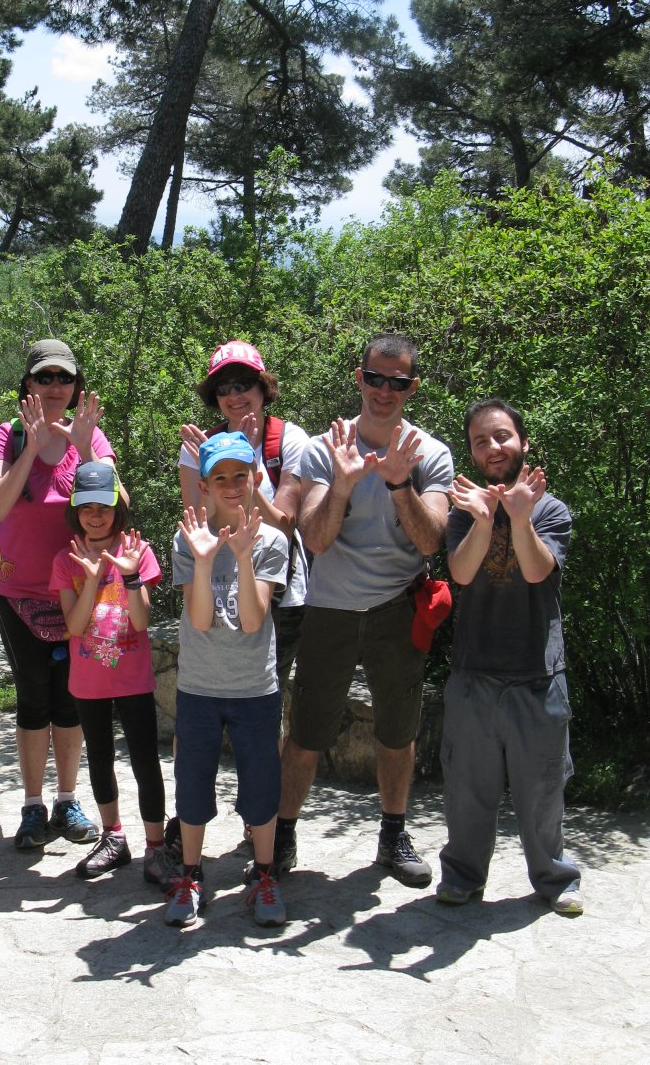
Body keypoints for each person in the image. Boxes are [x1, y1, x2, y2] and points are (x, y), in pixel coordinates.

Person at [275, 333, 454, 888]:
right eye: (375, 378)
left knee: (397, 733)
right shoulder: (325, 448)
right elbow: (316, 538)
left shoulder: (430, 454)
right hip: (329, 608)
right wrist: (344, 485)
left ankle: (393, 833)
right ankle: (282, 833)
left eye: (397, 382)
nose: (384, 391)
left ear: (412, 387)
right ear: (359, 378)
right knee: (307, 732)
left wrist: (400, 484)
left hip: (397, 609)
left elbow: (430, 541)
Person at [438, 399, 582, 916]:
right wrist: (482, 518)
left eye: (501, 436)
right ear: (473, 453)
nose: (493, 447)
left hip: (537, 676)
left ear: (521, 442)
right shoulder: (464, 510)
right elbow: (461, 572)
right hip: (474, 673)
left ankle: (554, 879)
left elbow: (539, 570)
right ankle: (462, 876)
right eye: (480, 440)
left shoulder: (551, 509)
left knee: (542, 790)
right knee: (467, 789)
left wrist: (518, 517)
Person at [0, 339, 113, 851]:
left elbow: (115, 505)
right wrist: (31, 450)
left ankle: (67, 798)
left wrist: (81, 446)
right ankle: (33, 805)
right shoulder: (6, 437)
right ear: (28, 386)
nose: (55, 387)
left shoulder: (91, 435)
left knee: (71, 699)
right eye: (44, 378)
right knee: (33, 700)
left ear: (77, 387)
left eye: (64, 378)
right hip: (17, 592)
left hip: (76, 592)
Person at [166, 430, 290, 928]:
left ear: (256, 477)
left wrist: (241, 555)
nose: (232, 485)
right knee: (192, 785)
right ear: (204, 486)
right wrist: (202, 559)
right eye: (220, 477)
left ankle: (263, 876)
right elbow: (199, 619)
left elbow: (254, 620)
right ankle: (191, 875)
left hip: (254, 689)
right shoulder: (186, 537)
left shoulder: (273, 541)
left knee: (261, 787)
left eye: (241, 475)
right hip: (198, 687)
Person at [49, 461, 175, 888]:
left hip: (133, 679)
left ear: (117, 507)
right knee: (100, 758)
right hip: (89, 683)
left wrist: (131, 575)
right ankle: (113, 837)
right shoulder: (66, 559)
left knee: (144, 762)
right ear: (75, 511)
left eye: (103, 506)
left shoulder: (137, 552)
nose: (96, 516)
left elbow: (140, 623)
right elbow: (74, 627)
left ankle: (155, 847)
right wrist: (90, 576)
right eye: (87, 508)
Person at [179, 341, 307, 729]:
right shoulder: (198, 447)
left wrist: (251, 471)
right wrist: (209, 465)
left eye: (243, 383)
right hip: (214, 587)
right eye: (224, 387)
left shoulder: (287, 440)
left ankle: (265, 788)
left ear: (263, 386)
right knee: (205, 716)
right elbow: (196, 522)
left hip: (278, 590)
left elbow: (284, 524)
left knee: (266, 709)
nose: (235, 395)